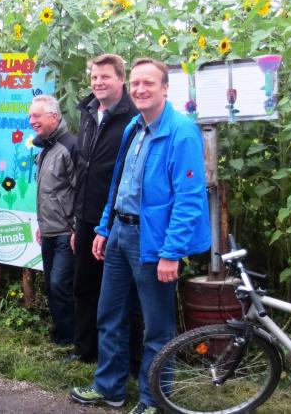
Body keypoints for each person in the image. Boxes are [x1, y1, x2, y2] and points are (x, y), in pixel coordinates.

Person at [71, 58, 211, 414]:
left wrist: (171, 252)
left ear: (165, 88)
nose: (140, 89)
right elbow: (120, 185)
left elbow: (190, 198)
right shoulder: (135, 126)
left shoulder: (181, 132)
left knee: (156, 327)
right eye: (135, 83)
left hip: (154, 242)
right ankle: (110, 389)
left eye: (148, 83)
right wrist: (105, 228)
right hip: (120, 233)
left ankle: (154, 400)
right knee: (110, 315)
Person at [70, 54, 142, 366]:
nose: (98, 83)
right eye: (94, 77)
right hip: (86, 217)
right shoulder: (88, 113)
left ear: (120, 80)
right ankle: (85, 351)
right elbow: (81, 168)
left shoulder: (133, 116)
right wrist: (76, 222)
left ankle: (129, 360)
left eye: (105, 77)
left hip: (119, 218)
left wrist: (110, 220)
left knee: (123, 296)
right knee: (83, 285)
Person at [28, 95, 77, 345]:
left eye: (36, 116)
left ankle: (72, 339)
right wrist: (41, 223)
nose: (31, 121)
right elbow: (49, 191)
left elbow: (81, 191)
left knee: (60, 284)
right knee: (51, 284)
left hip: (66, 232)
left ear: (54, 117)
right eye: (30, 116)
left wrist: (77, 229)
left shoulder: (69, 146)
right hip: (49, 229)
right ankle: (61, 335)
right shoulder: (45, 148)